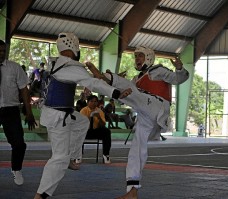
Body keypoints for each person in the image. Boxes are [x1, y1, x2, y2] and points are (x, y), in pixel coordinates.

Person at [34, 32, 130, 199]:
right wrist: (116, 93)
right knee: (59, 158)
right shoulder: (71, 67)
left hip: (55, 113)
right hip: (59, 117)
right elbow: (93, 83)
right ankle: (41, 195)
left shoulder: (54, 63)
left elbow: (89, 79)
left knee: (82, 122)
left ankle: (73, 157)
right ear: (73, 47)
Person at [85, 45, 189, 199]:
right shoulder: (137, 80)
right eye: (135, 56)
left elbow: (178, 78)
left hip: (157, 106)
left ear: (148, 57)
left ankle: (104, 77)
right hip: (146, 116)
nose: (137, 59)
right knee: (136, 151)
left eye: (140, 56)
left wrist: (180, 68)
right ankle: (132, 191)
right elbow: (125, 97)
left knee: (129, 88)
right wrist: (118, 92)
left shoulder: (157, 71)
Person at [0, 40, 37, 185]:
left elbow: (24, 90)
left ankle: (16, 169)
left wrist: (29, 112)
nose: (2, 54)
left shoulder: (14, 68)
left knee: (19, 144)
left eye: (4, 51)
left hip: (11, 110)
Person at [80, 95, 112, 164]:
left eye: (95, 101)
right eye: (91, 101)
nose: (94, 103)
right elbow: (81, 125)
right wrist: (89, 117)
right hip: (85, 131)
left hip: (96, 131)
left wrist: (99, 118)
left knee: (106, 131)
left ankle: (106, 154)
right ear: (88, 102)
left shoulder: (99, 111)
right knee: (77, 133)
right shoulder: (83, 110)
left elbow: (103, 125)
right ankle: (78, 155)